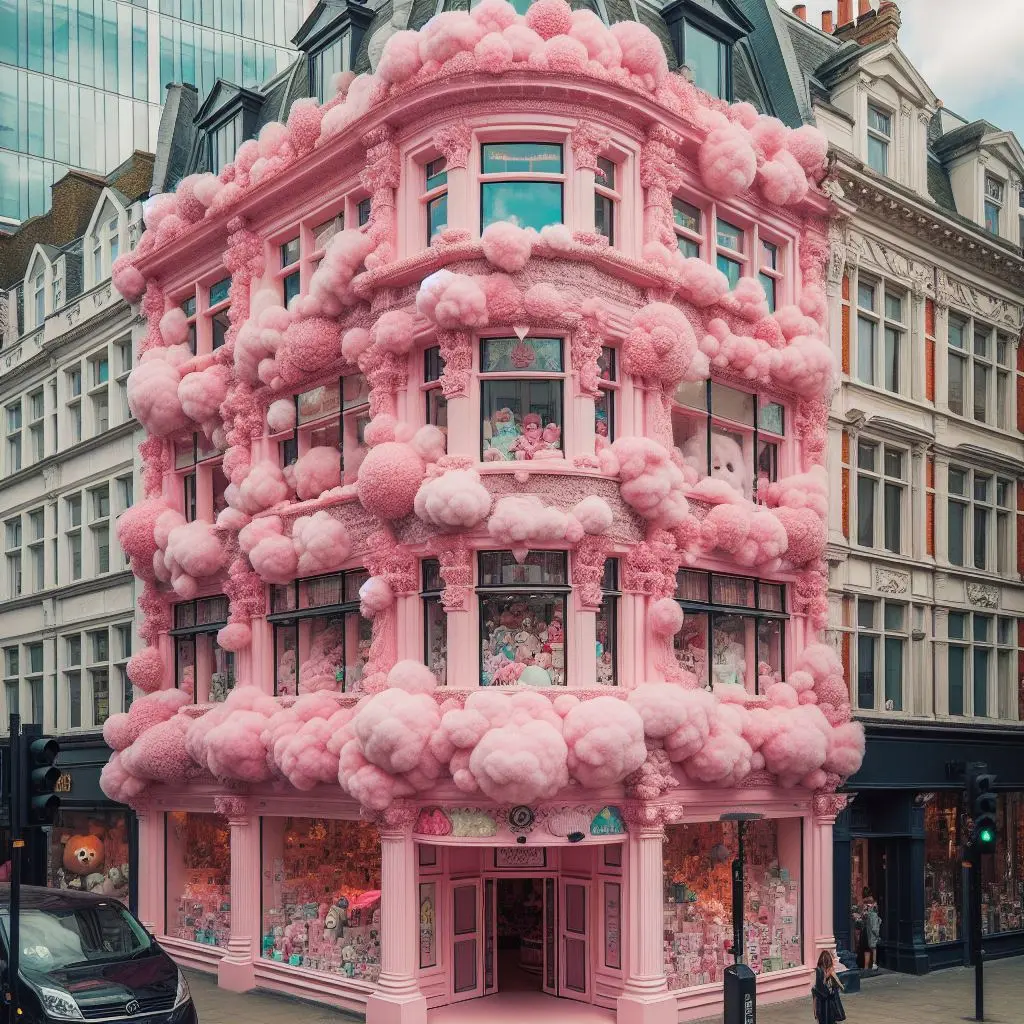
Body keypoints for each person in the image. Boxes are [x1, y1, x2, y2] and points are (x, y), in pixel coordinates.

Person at [812, 949, 846, 1023]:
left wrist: (841, 986)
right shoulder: (819, 971)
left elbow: (837, 981)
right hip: (823, 1002)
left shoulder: (827, 970)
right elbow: (818, 989)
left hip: (828, 1002)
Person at [864, 900, 881, 971]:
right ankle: (874, 964)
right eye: (876, 905)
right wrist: (878, 935)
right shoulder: (874, 915)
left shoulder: (869, 915)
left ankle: (868, 966)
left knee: (870, 949)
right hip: (873, 936)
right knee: (874, 949)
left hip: (869, 935)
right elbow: (874, 928)